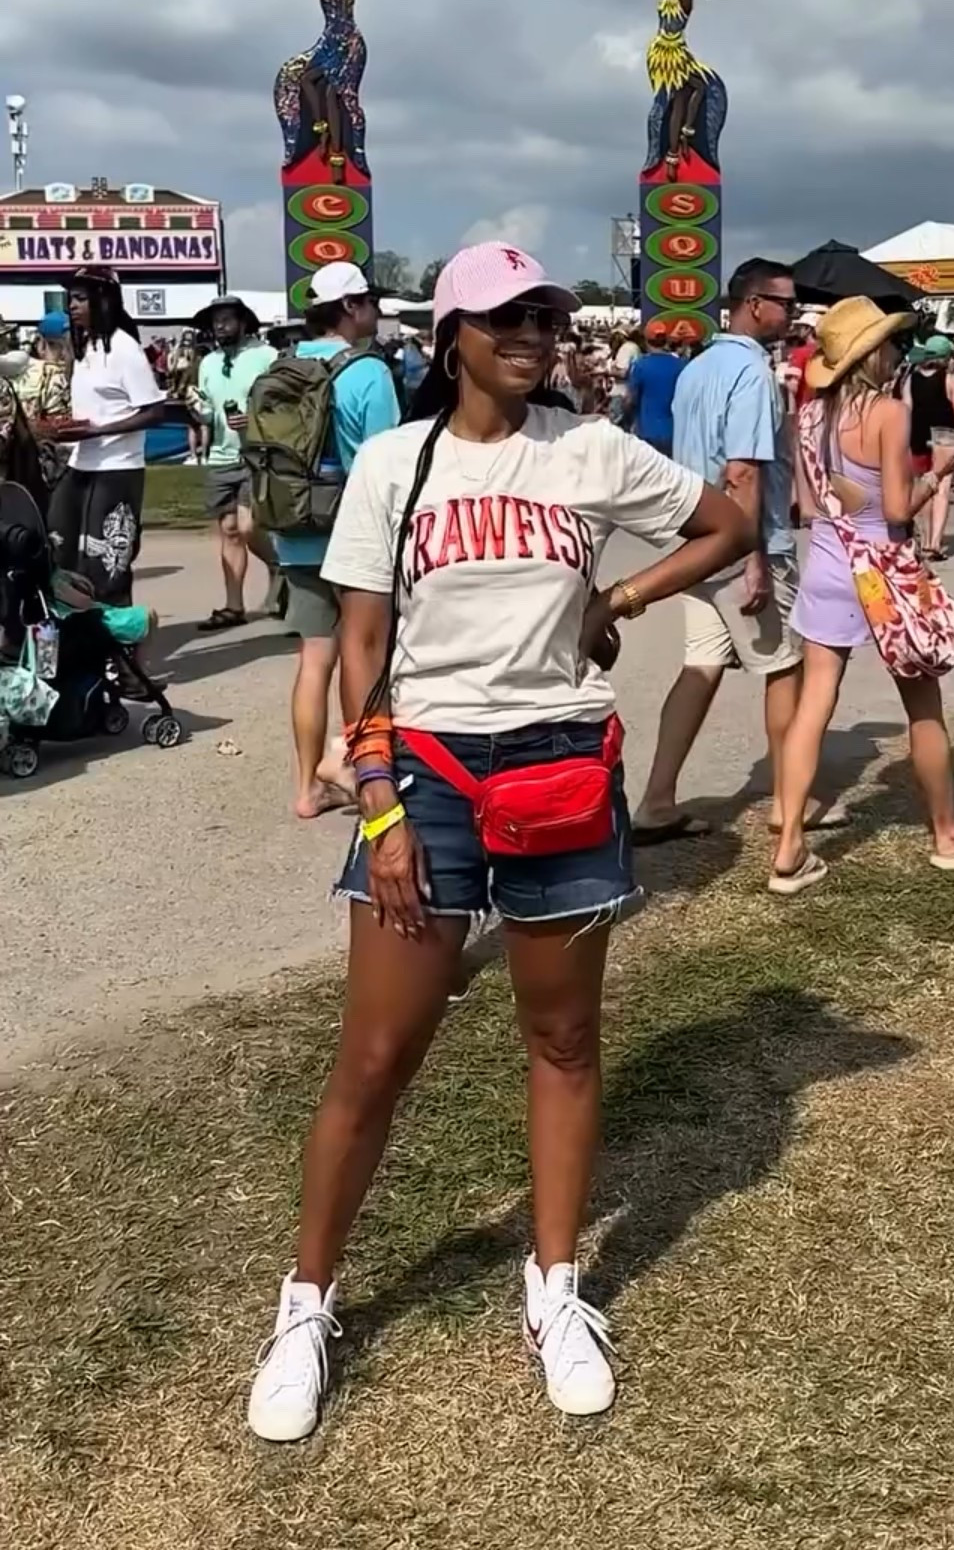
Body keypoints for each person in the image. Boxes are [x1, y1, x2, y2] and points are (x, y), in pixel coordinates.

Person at [245, 242, 753, 1442]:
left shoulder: (585, 449)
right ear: (452, 336)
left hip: (561, 763)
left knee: (566, 1038)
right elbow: (362, 650)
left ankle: (555, 1288)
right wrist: (376, 810)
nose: (534, 332)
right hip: (422, 772)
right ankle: (306, 1305)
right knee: (376, 1053)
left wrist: (617, 598)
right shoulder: (392, 461)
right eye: (507, 315)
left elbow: (729, 522)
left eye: (548, 314)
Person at [771, 298, 954, 895]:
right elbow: (899, 511)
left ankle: (789, 845)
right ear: (872, 353)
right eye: (892, 344)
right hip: (882, 572)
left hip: (827, 562)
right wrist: (943, 471)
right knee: (922, 704)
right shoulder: (885, 413)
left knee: (813, 702)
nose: (898, 353)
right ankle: (949, 833)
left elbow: (806, 505)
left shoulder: (807, 414)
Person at [634, 260, 844, 843]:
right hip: (747, 542)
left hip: (698, 538)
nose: (793, 314)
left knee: (701, 664)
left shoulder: (697, 369)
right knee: (785, 667)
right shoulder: (751, 374)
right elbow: (743, 471)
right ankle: (788, 798)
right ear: (755, 304)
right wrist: (754, 557)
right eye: (787, 303)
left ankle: (656, 797)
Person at [273, 265, 400, 819]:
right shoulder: (369, 372)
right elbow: (387, 460)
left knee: (314, 660)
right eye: (369, 301)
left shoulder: (286, 364)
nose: (375, 311)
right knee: (366, 653)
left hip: (296, 527)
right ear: (350, 308)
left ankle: (307, 789)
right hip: (355, 532)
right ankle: (346, 759)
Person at [47, 267, 163, 605]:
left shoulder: (125, 349)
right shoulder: (85, 348)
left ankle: (118, 641)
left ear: (104, 301)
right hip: (81, 462)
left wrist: (100, 431)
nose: (72, 306)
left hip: (118, 467)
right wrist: (66, 427)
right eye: (71, 299)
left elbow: (154, 411)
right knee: (60, 545)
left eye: (81, 299)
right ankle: (76, 634)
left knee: (108, 560)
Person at [193, 297, 279, 631]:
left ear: (243, 322)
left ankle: (281, 568)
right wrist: (200, 415)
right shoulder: (208, 363)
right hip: (221, 455)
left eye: (227, 320)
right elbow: (208, 410)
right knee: (228, 530)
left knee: (247, 526)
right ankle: (234, 606)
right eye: (216, 321)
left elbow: (281, 402)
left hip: (257, 452)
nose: (220, 326)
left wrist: (255, 419)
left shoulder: (266, 356)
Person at [905, 336, 954, 560]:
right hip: (946, 437)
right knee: (942, 488)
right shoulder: (951, 379)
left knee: (925, 488)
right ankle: (935, 542)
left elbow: (906, 409)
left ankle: (924, 540)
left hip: (918, 436)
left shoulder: (911, 379)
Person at [624, 319, 682, 456]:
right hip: (673, 432)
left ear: (646, 340)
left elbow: (630, 400)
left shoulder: (640, 365)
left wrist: (627, 420)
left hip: (646, 432)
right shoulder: (680, 365)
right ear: (666, 340)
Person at [16, 313, 72, 425]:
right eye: (55, 345)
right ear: (40, 344)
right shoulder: (54, 379)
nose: (63, 354)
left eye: (69, 347)